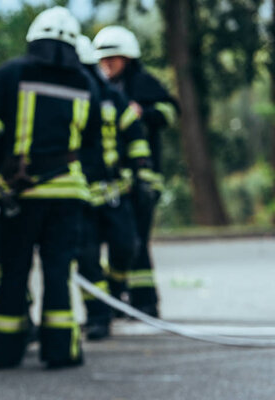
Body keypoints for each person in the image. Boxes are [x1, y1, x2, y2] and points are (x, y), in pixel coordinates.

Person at [0, 7, 102, 368]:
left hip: (23, 194)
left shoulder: (12, 73)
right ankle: (61, 351)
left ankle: (5, 351)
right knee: (60, 272)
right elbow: (94, 145)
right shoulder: (87, 83)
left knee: (13, 270)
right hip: (69, 194)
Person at [93, 26, 179, 317]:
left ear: (128, 58)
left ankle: (145, 302)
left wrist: (145, 111)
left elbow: (170, 111)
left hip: (144, 178)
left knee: (137, 240)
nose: (107, 64)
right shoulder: (100, 88)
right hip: (117, 181)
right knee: (123, 241)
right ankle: (121, 299)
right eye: (103, 60)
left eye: (113, 59)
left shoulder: (142, 83)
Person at [75, 36, 153, 339]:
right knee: (87, 259)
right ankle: (98, 316)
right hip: (81, 195)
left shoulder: (112, 97)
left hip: (115, 192)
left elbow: (135, 136)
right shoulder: (68, 98)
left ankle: (116, 289)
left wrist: (142, 174)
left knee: (127, 247)